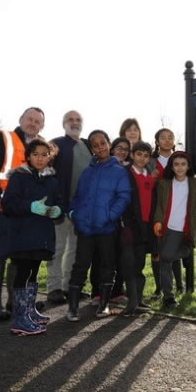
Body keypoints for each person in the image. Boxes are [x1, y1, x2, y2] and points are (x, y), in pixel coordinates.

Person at [0, 106, 45, 320]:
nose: (33, 124)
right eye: (30, 119)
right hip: (5, 207)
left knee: (20, 256)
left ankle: (14, 303)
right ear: (21, 119)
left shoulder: (39, 146)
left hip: (28, 211)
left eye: (37, 121)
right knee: (1, 252)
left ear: (42, 126)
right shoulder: (4, 138)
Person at [65, 130, 131, 321]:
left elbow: (124, 197)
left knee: (107, 266)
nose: (100, 147)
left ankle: (103, 306)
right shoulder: (87, 172)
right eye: (95, 145)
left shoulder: (119, 171)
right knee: (80, 265)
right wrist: (73, 213)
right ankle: (73, 308)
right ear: (92, 148)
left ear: (109, 144)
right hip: (85, 228)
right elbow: (77, 197)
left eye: (103, 143)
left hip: (108, 229)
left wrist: (110, 215)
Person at [1, 139, 63, 335]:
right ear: (28, 156)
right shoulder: (19, 177)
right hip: (22, 235)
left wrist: (58, 210)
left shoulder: (52, 181)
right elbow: (9, 204)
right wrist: (30, 206)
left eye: (44, 155)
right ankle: (20, 319)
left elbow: (60, 203)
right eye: (35, 154)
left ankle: (29, 311)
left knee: (34, 273)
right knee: (23, 273)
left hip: (41, 236)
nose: (40, 158)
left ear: (50, 157)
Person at [153, 151, 196, 308]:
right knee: (164, 262)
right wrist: (157, 222)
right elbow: (159, 206)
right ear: (172, 167)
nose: (180, 167)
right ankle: (168, 297)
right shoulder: (164, 183)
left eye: (183, 164)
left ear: (188, 166)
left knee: (166, 257)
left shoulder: (193, 184)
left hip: (184, 229)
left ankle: (187, 250)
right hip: (166, 227)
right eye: (176, 164)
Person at [46, 110, 92, 304]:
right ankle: (54, 288)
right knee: (57, 249)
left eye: (78, 120)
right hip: (60, 208)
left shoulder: (87, 146)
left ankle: (69, 287)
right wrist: (53, 205)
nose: (75, 123)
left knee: (75, 250)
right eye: (70, 120)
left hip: (81, 210)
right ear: (63, 123)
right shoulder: (55, 144)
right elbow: (47, 175)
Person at [90, 136, 132, 307]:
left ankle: (116, 292)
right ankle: (97, 292)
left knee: (119, 257)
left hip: (122, 222)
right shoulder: (97, 166)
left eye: (125, 149)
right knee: (100, 257)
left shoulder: (128, 170)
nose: (122, 152)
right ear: (111, 148)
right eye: (119, 148)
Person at [119, 141, 157, 316]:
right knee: (129, 263)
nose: (142, 158)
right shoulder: (124, 174)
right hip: (128, 225)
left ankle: (139, 299)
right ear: (132, 155)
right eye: (139, 154)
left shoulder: (150, 176)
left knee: (140, 263)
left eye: (146, 155)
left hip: (145, 226)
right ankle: (131, 303)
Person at [149, 128, 184, 298]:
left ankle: (179, 285)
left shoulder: (180, 159)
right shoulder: (150, 161)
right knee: (157, 250)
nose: (167, 140)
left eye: (170, 137)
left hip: (176, 209)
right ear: (157, 141)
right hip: (155, 209)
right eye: (163, 138)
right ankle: (159, 287)